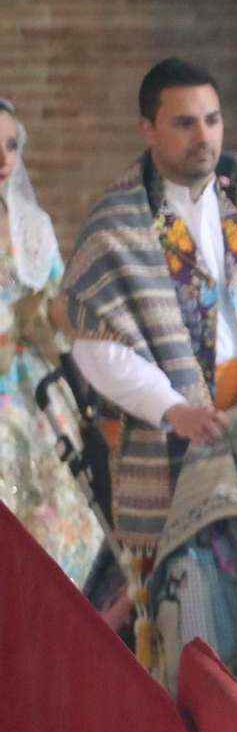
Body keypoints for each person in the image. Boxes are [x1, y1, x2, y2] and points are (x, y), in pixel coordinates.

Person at [62, 58, 237, 582]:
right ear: (146, 128)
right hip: (175, 431)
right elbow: (95, 341)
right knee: (187, 584)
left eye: (212, 120)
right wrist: (171, 408)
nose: (204, 135)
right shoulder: (117, 225)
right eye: (184, 122)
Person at [0, 96, 104, 589]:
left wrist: (74, 317)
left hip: (30, 380)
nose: (4, 159)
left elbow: (57, 299)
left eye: (12, 146)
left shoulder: (31, 227)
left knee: (64, 501)